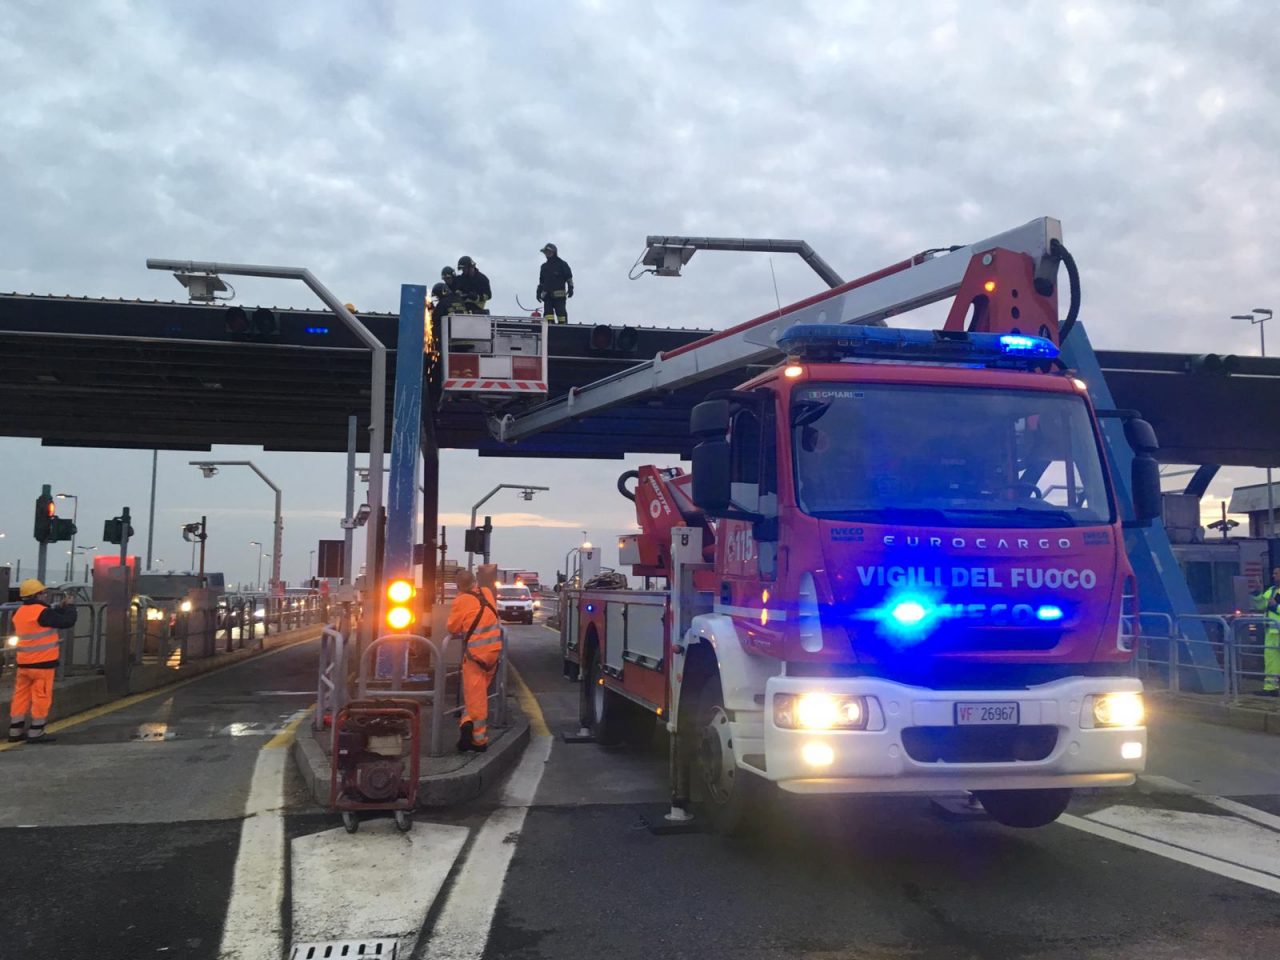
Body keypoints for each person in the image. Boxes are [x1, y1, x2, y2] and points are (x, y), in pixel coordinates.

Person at [7, 579, 78, 744]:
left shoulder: (20, 612)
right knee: (41, 696)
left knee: (20, 696)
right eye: (43, 593)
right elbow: (66, 621)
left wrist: (60, 606)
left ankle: (15, 730)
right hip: (42, 664)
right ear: (37, 595)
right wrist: (70, 606)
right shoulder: (42, 612)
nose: (45, 595)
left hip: (24, 663)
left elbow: (49, 616)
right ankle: (36, 731)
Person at [447, 566, 502, 751]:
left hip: (475, 657)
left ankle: (479, 741)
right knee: (476, 695)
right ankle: (466, 723)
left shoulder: (461, 601)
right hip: (493, 654)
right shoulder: (486, 593)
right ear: (474, 582)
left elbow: (452, 628)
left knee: (476, 698)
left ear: (458, 587)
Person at [1252, 566, 1280, 696]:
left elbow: (1273, 607)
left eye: (1276, 573)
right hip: (1271, 631)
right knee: (1270, 660)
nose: (1274, 576)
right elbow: (1261, 605)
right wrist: (1258, 592)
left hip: (1277, 630)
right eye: (1274, 573)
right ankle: (1270, 688)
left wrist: (1276, 607)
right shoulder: (1272, 590)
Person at [535, 242, 573, 323]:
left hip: (559, 296)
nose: (547, 254)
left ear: (554, 252)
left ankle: (563, 330)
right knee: (548, 315)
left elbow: (569, 278)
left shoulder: (562, 264)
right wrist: (538, 292)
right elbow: (542, 282)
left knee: (561, 315)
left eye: (548, 252)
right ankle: (550, 329)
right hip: (547, 296)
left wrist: (570, 288)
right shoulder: (544, 267)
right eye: (545, 252)